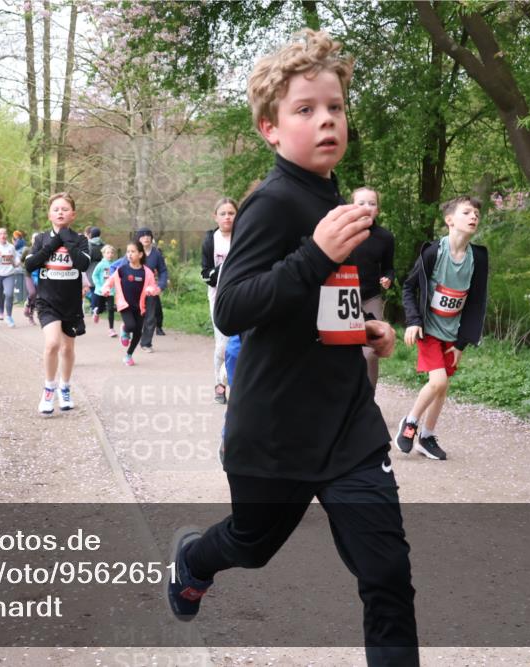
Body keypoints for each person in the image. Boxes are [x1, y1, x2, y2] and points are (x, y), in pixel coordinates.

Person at [165, 30, 418, 667]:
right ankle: (194, 558)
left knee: (386, 577)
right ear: (270, 129)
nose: (325, 119)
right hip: (275, 434)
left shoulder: (332, 199)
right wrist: (315, 254)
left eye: (334, 106)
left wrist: (366, 330)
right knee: (250, 546)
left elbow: (318, 308)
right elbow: (232, 306)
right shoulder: (273, 204)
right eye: (304, 110)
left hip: (347, 430)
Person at [396, 196, 488, 460]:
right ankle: (410, 423)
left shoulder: (477, 258)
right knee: (438, 381)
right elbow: (408, 287)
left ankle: (426, 437)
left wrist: (461, 343)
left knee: (442, 388)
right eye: (467, 213)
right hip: (428, 330)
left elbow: (476, 302)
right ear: (450, 220)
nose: (473, 217)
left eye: (477, 215)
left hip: (452, 333)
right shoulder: (434, 252)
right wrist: (413, 321)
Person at [24, 192, 90, 414]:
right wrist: (52, 244)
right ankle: (49, 388)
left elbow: (81, 264)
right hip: (47, 301)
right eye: (56, 209)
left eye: (64, 209)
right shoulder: (41, 239)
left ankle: (65, 387)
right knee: (52, 343)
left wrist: (66, 240)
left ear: (73, 214)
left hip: (71, 303)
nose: (60, 212)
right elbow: (30, 265)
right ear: (49, 214)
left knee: (67, 347)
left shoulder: (80, 240)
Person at [350, 186, 396, 387]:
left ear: (377, 210)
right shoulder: (342, 232)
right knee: (342, 350)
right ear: (351, 206)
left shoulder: (385, 237)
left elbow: (389, 268)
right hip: (345, 296)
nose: (367, 207)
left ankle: (368, 399)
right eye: (361, 203)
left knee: (370, 352)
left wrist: (388, 278)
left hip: (371, 297)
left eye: (372, 203)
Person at [201, 197, 238, 404]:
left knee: (241, 342)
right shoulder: (210, 240)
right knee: (222, 344)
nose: (227, 217)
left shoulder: (243, 236)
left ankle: (239, 384)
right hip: (218, 296)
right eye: (223, 213)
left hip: (242, 293)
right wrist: (224, 270)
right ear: (215, 217)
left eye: (231, 213)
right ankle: (219, 383)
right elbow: (205, 272)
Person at [102, 240, 160, 366]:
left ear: (140, 254)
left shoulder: (147, 272)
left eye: (133, 251)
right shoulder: (122, 270)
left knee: (138, 332)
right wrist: (106, 288)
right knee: (131, 326)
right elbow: (110, 281)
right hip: (124, 304)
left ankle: (128, 355)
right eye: (128, 252)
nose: (129, 254)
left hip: (140, 306)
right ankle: (125, 328)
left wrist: (151, 290)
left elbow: (153, 286)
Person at [134, 228, 168, 353]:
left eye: (148, 235)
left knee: (150, 317)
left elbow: (163, 271)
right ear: (138, 239)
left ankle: (146, 343)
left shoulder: (156, 254)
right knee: (135, 317)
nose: (146, 238)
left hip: (150, 290)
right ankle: (127, 330)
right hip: (134, 289)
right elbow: (119, 267)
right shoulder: (133, 251)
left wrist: (160, 285)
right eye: (143, 236)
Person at [91, 244, 119, 337]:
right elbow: (94, 275)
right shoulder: (101, 264)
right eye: (108, 253)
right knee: (101, 309)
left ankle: (111, 329)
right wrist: (99, 286)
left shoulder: (114, 265)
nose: (110, 255)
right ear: (103, 254)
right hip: (101, 291)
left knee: (111, 309)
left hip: (110, 291)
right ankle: (96, 312)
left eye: (111, 253)